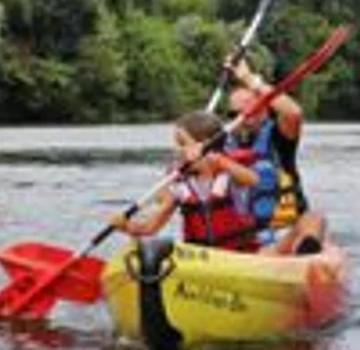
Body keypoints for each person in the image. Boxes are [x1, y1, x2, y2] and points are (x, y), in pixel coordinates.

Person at [117, 107, 274, 253]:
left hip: (239, 254)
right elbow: (150, 229)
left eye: (182, 143)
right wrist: (127, 227)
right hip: (201, 257)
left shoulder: (228, 175)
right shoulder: (180, 186)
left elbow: (253, 180)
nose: (177, 149)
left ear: (206, 145)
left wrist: (220, 161)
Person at [221, 52, 329, 254]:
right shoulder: (219, 145)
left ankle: (305, 253)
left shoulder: (278, 137)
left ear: (264, 108)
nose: (243, 118)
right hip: (243, 237)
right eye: (234, 114)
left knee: (314, 218)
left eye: (251, 110)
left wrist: (249, 79)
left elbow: (293, 113)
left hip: (283, 233)